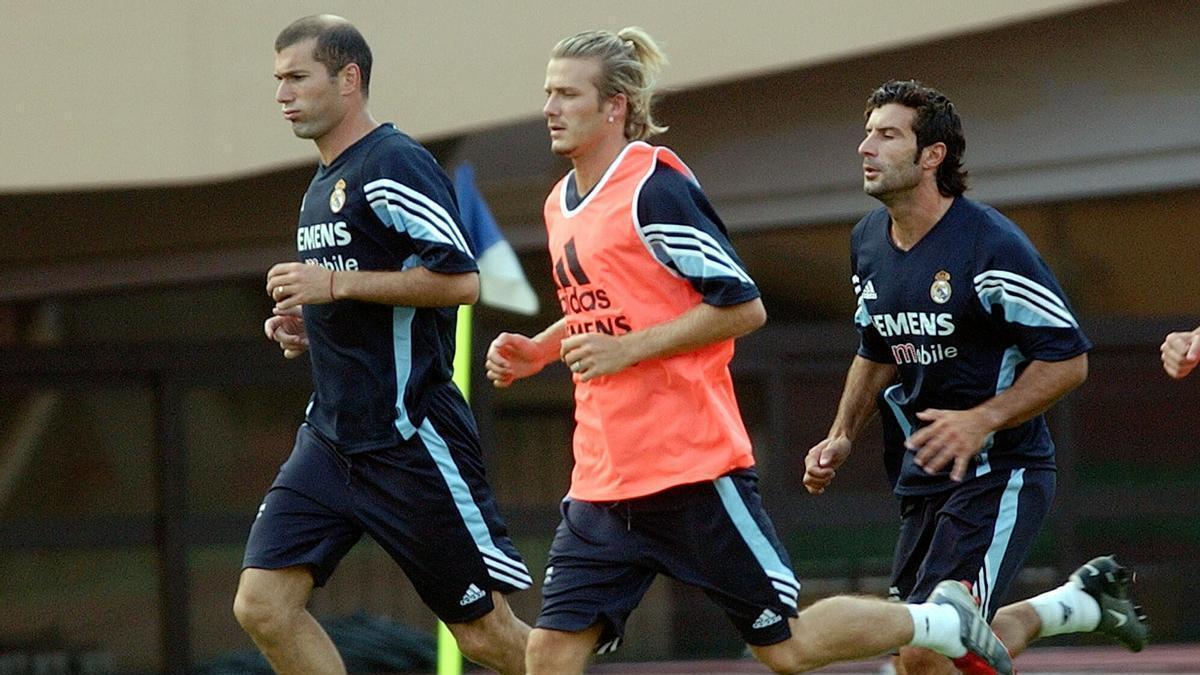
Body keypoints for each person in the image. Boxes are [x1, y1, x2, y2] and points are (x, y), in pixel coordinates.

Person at [487, 31, 1015, 675]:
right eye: (549, 93)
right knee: (548, 656)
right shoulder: (558, 202)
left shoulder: (653, 188)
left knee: (786, 648)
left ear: (615, 106)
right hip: (601, 481)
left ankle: (941, 621)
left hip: (691, 471)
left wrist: (627, 351)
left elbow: (742, 305)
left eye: (568, 94)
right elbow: (614, 306)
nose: (550, 107)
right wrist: (541, 350)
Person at [804, 79, 1147, 674]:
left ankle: (1074, 605)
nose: (866, 147)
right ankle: (1078, 603)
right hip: (923, 476)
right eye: (867, 133)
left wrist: (981, 420)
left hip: (999, 473)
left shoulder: (990, 246)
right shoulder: (867, 241)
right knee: (926, 652)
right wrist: (841, 435)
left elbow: (1068, 360)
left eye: (888, 135)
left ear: (932, 155)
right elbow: (875, 348)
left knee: (927, 653)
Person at [232, 15, 531, 675]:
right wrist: (310, 324)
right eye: (278, 79)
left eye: (297, 77)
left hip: (407, 437)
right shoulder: (320, 184)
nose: (282, 93)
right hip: (330, 439)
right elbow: (362, 297)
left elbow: (460, 280)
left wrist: (333, 285)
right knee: (263, 606)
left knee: (484, 636)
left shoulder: (393, 161)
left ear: (349, 78)